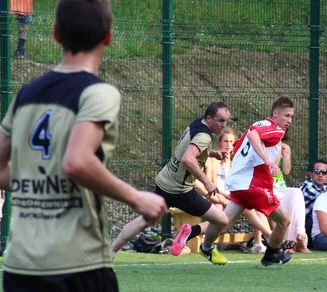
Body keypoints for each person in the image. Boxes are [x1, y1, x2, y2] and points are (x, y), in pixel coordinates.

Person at [0, 1, 167, 292]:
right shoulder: (97, 93)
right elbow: (78, 161)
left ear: (56, 35)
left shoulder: (28, 93)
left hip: (25, 260)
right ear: (109, 38)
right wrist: (136, 198)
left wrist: (36, 177)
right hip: (79, 260)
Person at [111, 102, 231, 258]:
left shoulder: (197, 123)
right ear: (209, 118)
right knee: (222, 220)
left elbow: (190, 149)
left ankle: (110, 254)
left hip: (165, 182)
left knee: (143, 221)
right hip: (180, 191)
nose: (224, 125)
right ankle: (204, 246)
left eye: (226, 121)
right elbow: (188, 159)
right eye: (221, 120)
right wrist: (207, 182)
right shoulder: (204, 136)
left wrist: (212, 153)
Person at [199, 95, 295, 266]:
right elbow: (252, 136)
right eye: (286, 115)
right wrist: (266, 160)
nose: (289, 120)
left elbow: (238, 146)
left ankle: (203, 244)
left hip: (238, 182)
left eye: (291, 117)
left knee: (223, 222)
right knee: (284, 221)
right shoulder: (274, 130)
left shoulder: (259, 123)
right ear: (275, 113)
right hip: (254, 185)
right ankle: (271, 255)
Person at [187, 127, 272, 254]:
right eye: (226, 141)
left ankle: (259, 242)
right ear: (219, 143)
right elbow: (212, 184)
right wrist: (226, 196)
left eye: (231, 142)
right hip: (216, 195)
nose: (228, 145)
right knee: (233, 211)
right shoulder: (212, 159)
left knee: (255, 208)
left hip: (232, 196)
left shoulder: (236, 160)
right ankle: (271, 238)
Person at [272, 135, 310, 253]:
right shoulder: (265, 147)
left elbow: (287, 171)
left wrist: (286, 154)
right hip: (268, 187)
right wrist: (278, 151)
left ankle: (299, 233)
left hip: (281, 188)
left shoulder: (285, 147)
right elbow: (271, 168)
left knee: (297, 192)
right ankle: (284, 243)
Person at [300, 159, 327, 249]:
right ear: (311, 174)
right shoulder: (307, 186)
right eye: (317, 172)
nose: (320, 175)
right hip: (306, 226)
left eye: (324, 172)